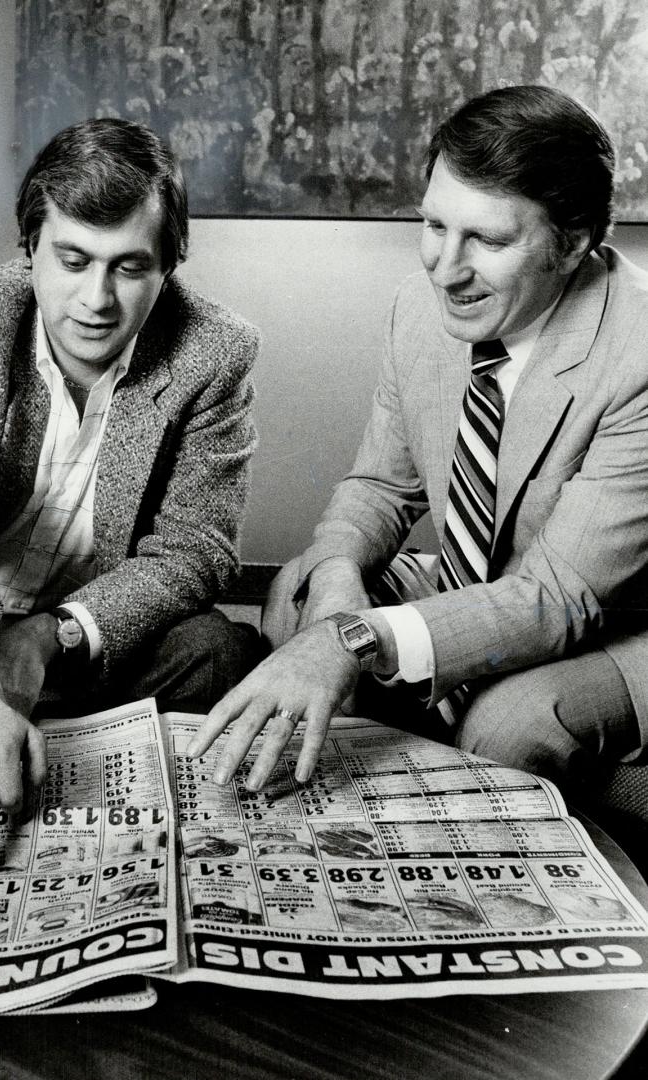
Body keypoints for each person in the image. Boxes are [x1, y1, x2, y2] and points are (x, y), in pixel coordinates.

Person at [190, 84, 648, 797]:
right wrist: (338, 580)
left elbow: (558, 598)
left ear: (573, 244)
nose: (445, 268)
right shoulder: (420, 305)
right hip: (495, 576)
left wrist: (353, 640)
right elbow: (380, 486)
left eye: (489, 241)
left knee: (509, 726)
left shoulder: (640, 356)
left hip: (620, 623)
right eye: (434, 226)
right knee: (295, 592)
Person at [0, 117, 262, 859]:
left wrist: (48, 636)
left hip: (80, 638)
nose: (96, 299)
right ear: (30, 247)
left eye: (129, 267)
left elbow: (196, 551)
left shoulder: (214, 350)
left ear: (168, 268)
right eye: (72, 259)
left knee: (218, 653)